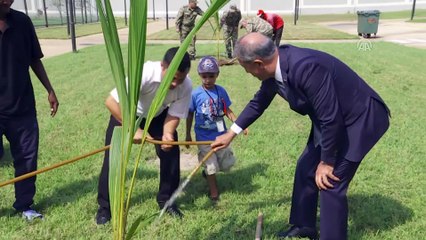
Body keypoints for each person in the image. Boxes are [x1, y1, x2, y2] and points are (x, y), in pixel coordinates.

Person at [211, 33, 390, 240]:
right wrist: (231, 133)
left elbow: (331, 118)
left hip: (359, 119)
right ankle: (304, 226)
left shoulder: (306, 67)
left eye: (246, 68)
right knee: (306, 167)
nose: (247, 73)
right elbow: (259, 102)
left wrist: (327, 161)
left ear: (258, 63)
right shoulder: (276, 66)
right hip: (332, 120)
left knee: (330, 182)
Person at [96, 47, 192, 224]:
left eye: (180, 79)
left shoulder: (185, 85)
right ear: (163, 66)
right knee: (113, 158)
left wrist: (168, 134)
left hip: (157, 115)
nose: (175, 84)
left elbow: (175, 113)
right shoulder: (145, 73)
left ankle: (167, 201)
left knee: (171, 152)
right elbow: (110, 102)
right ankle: (105, 207)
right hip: (127, 113)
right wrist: (134, 129)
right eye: (172, 78)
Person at [0, 0, 59, 220]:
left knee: (26, 158)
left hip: (22, 107)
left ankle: (24, 205)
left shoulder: (22, 22)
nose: (8, 1)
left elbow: (34, 58)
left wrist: (50, 90)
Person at [185, 56, 247, 203]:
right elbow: (189, 114)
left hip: (221, 136)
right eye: (204, 76)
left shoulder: (221, 92)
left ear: (217, 75)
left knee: (226, 164)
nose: (208, 79)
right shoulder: (195, 94)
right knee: (211, 166)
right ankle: (214, 192)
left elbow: (227, 110)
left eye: (211, 76)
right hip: (203, 137)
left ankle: (207, 172)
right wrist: (187, 134)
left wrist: (240, 124)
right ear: (199, 75)